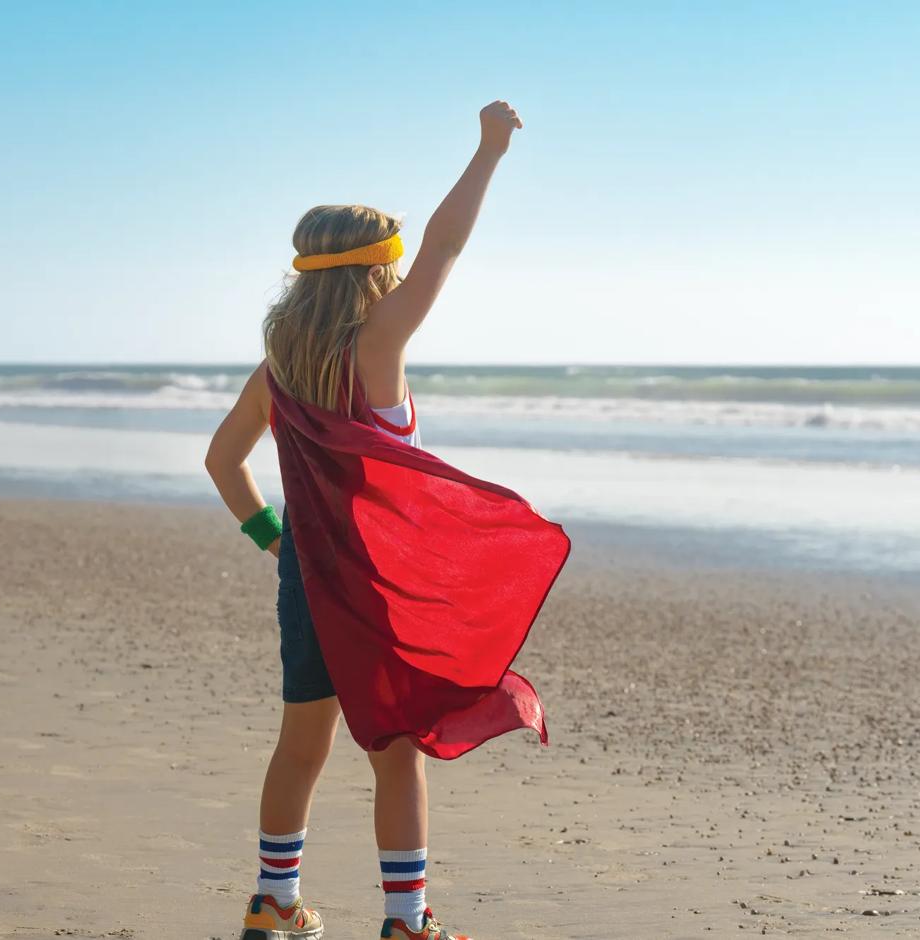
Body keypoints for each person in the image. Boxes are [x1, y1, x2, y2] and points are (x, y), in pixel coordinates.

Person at [206, 100, 568, 940]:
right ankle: (407, 921)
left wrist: (274, 541)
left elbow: (222, 462)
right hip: (377, 583)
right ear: (374, 274)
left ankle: (272, 904)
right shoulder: (379, 343)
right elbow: (445, 245)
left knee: (301, 745)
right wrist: (488, 152)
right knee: (396, 753)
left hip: (309, 574)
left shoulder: (279, 369)